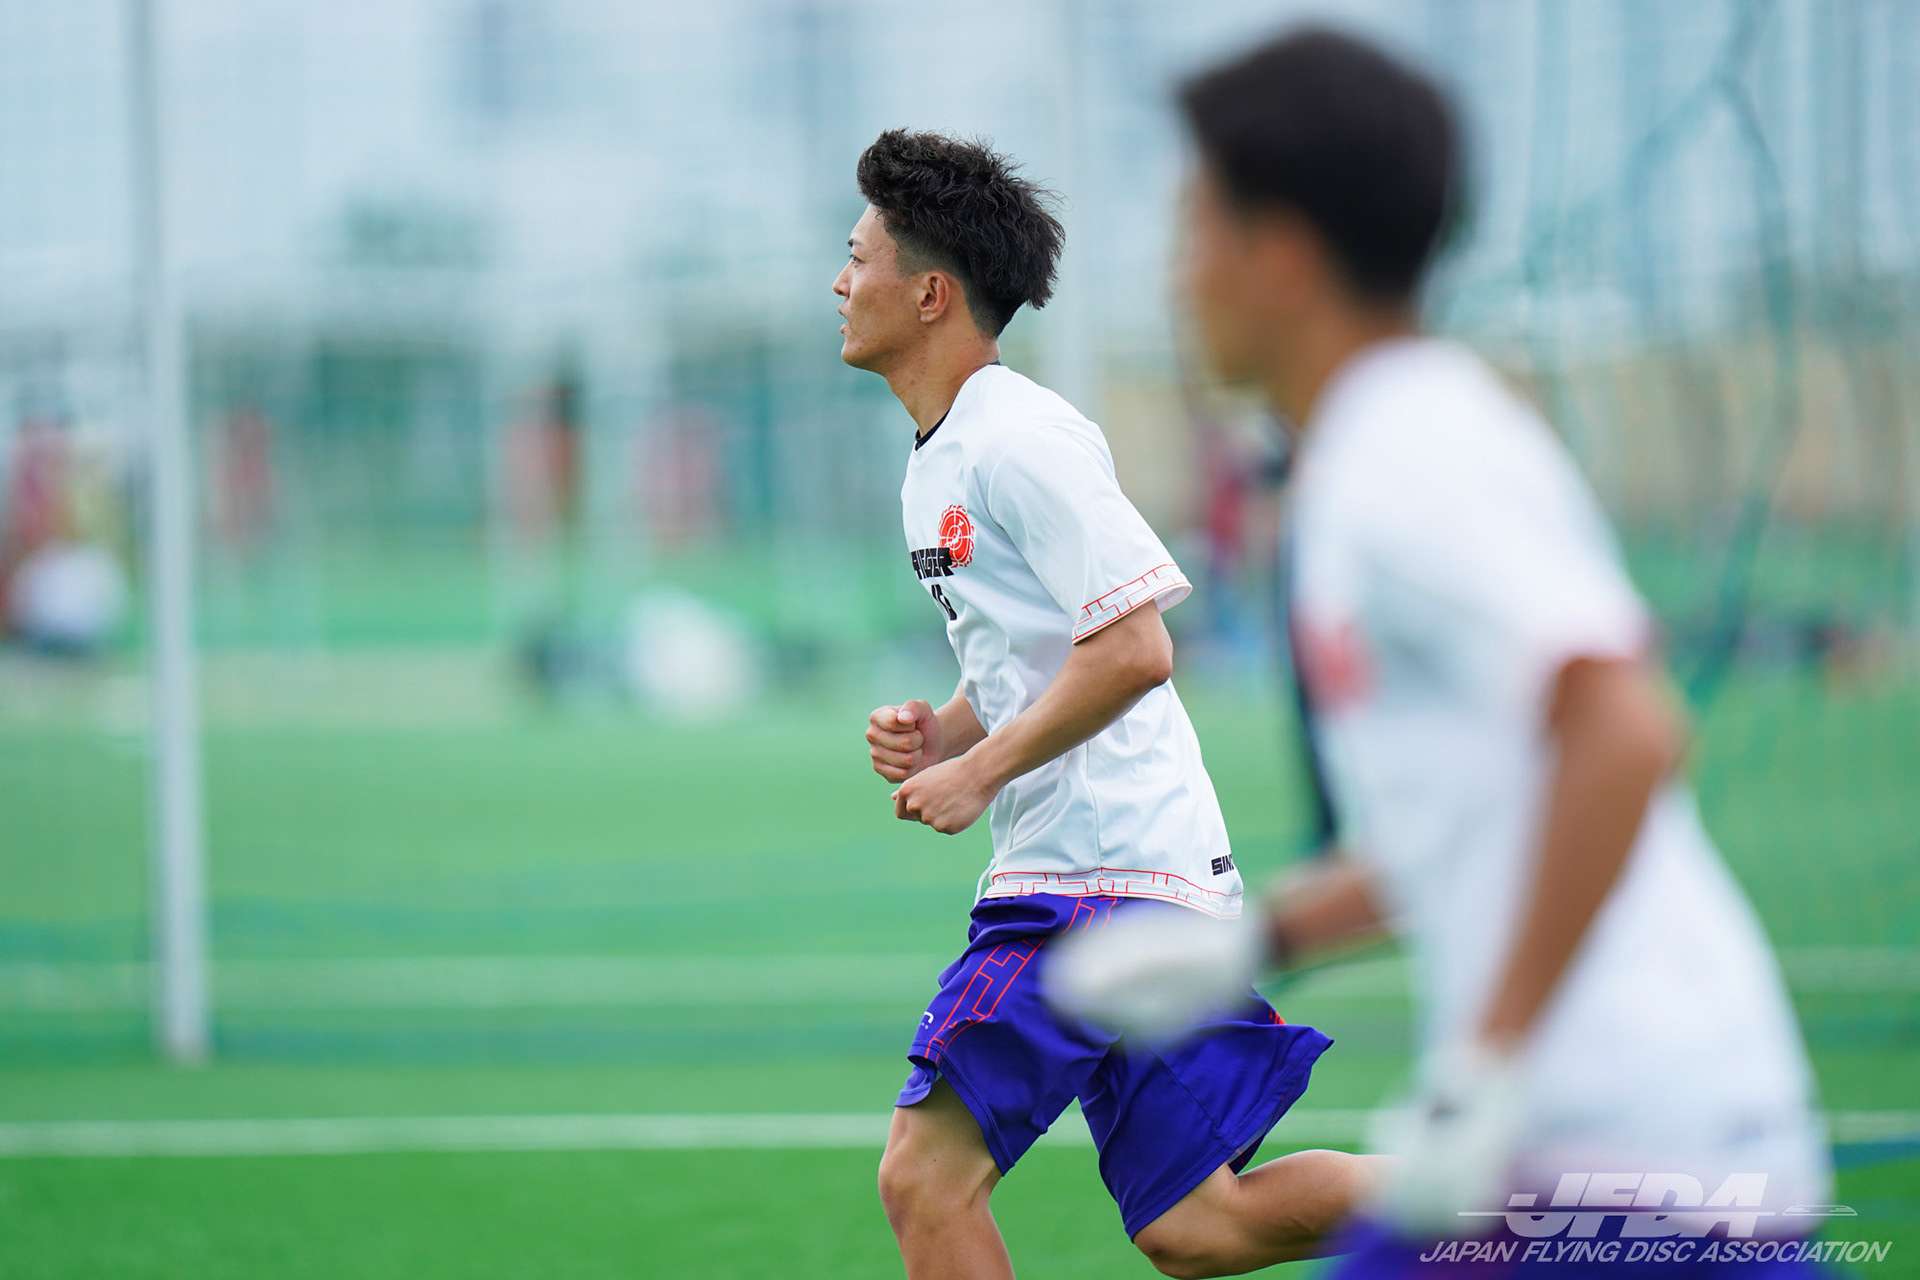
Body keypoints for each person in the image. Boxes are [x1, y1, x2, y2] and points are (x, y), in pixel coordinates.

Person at [1047, 29, 1833, 1274]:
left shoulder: (1405, 452)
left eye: (1195, 227)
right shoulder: (1376, 445)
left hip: (1631, 1144)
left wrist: (1485, 1066)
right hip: (1611, 1141)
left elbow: (1627, 729)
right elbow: (1477, 814)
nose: (1174, 274)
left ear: (1282, 256)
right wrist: (1262, 941)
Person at [837, 128, 1378, 1280]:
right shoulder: (940, 455)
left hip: (1090, 881)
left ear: (930, 293)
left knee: (924, 1177)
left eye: (858, 256)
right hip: (1137, 873)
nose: (841, 282)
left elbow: (1136, 646)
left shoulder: (1019, 438)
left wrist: (979, 771)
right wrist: (947, 729)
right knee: (1199, 1223)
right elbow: (1043, 653)